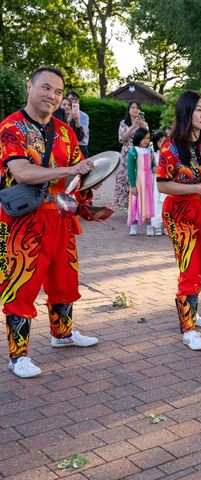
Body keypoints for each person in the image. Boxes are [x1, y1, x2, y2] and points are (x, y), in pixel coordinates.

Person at [0, 67, 98, 378]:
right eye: (46, 88)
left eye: (58, 92)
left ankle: (62, 334)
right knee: (21, 286)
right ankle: (18, 356)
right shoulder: (10, 128)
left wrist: (85, 186)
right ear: (29, 87)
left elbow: (75, 175)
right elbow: (23, 173)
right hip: (23, 223)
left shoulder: (66, 132)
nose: (52, 96)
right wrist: (69, 171)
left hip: (60, 216)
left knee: (64, 279)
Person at [156, 90, 201, 350]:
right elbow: (163, 185)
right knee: (190, 266)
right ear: (186, 112)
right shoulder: (171, 147)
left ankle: (192, 310)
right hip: (180, 214)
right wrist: (195, 189)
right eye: (198, 109)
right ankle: (188, 329)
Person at [115, 102, 148, 210]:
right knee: (124, 178)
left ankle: (138, 205)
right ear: (129, 110)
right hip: (126, 153)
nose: (135, 110)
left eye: (138, 108)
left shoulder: (143, 124)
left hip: (140, 153)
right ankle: (127, 205)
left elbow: (147, 138)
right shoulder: (123, 123)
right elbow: (122, 139)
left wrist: (144, 127)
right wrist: (133, 126)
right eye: (133, 108)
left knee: (138, 178)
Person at [127, 128, 156, 236]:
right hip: (138, 180)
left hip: (149, 180)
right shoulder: (133, 151)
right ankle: (134, 225)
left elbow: (152, 163)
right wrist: (133, 185)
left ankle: (149, 226)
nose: (146, 140)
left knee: (149, 202)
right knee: (136, 202)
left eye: (148, 138)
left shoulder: (150, 150)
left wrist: (154, 167)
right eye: (143, 138)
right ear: (138, 138)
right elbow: (130, 169)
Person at [150, 131, 167, 235]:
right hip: (157, 180)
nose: (162, 143)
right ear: (156, 143)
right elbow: (149, 164)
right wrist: (153, 167)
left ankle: (166, 225)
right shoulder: (153, 152)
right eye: (160, 141)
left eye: (164, 141)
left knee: (166, 202)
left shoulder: (170, 152)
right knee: (156, 203)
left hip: (167, 179)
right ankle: (156, 226)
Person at [66, 91, 90, 157]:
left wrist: (77, 121)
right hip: (66, 146)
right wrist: (68, 119)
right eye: (71, 99)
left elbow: (82, 136)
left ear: (78, 102)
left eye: (75, 100)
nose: (73, 102)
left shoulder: (84, 116)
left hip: (80, 146)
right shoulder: (63, 113)